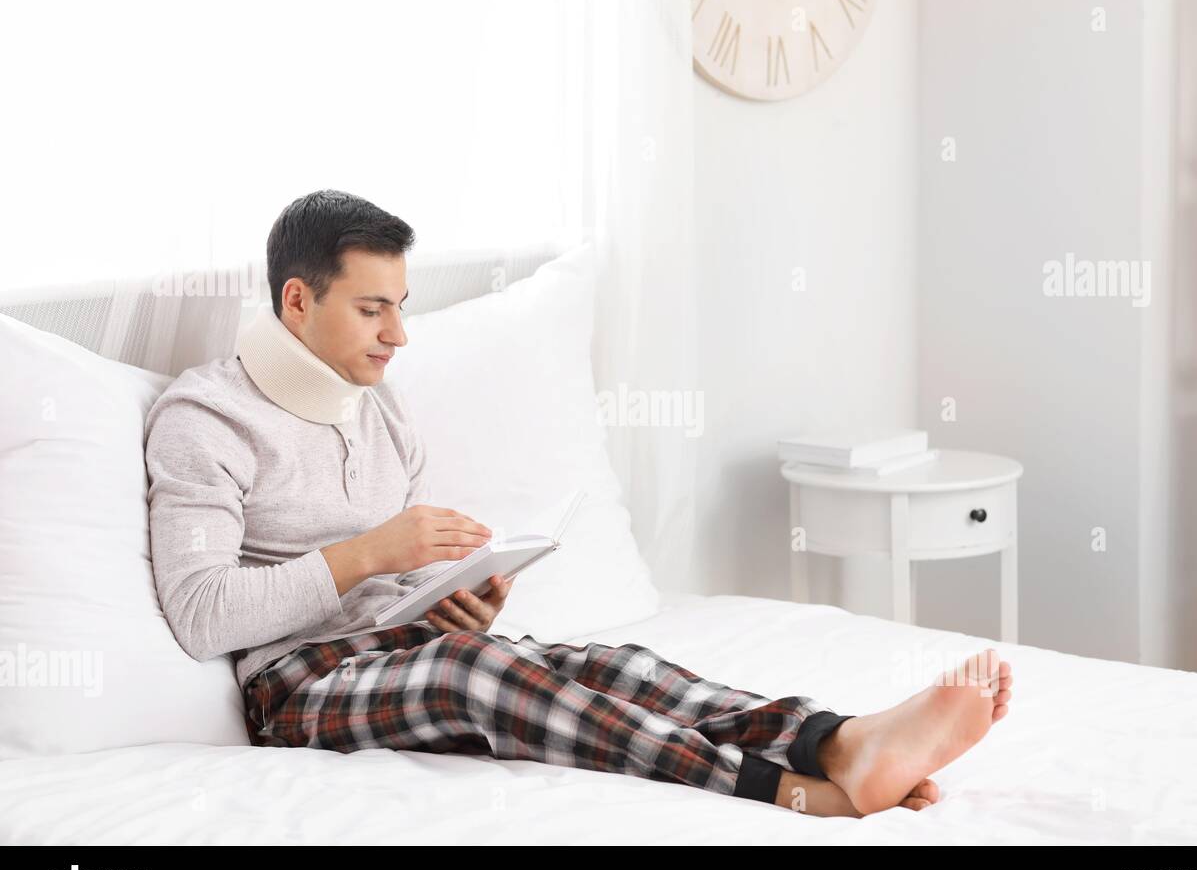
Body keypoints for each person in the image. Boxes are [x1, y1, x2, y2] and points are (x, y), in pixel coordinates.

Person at [143, 189, 1013, 819]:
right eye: (374, 311)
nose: (399, 336)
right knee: (478, 675)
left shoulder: (379, 408)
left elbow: (400, 604)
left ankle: (835, 737)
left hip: (405, 647)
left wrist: (462, 601)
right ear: (297, 301)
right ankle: (790, 790)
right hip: (298, 686)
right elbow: (200, 613)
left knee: (607, 666)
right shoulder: (205, 419)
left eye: (401, 309)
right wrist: (372, 553)